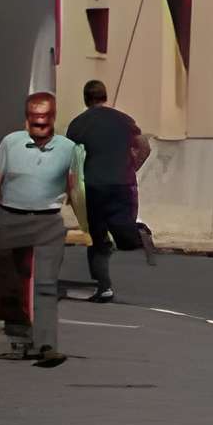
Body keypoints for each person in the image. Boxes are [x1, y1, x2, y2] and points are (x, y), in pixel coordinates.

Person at [0, 91, 87, 365]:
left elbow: (75, 189)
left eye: (45, 121)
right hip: (9, 218)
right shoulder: (10, 143)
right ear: (27, 118)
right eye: (35, 120)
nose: (40, 126)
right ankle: (19, 339)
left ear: (53, 117)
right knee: (9, 284)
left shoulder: (69, 148)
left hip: (48, 221)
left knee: (47, 284)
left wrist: (87, 225)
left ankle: (47, 345)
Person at [64, 80, 155, 301]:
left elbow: (71, 159)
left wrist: (71, 190)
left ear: (85, 99)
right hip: (123, 185)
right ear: (105, 96)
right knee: (123, 233)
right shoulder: (124, 120)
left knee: (98, 240)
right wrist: (131, 168)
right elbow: (144, 146)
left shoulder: (77, 124)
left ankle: (104, 287)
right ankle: (138, 233)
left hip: (93, 187)